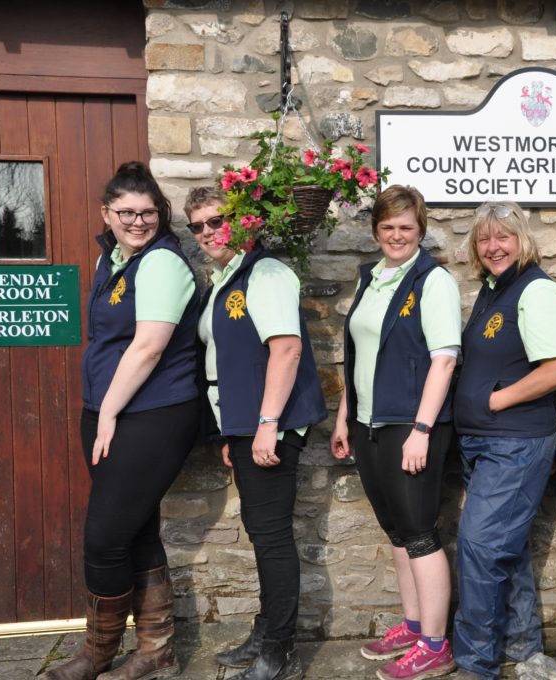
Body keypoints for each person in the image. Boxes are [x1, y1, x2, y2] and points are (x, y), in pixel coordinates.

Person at [48, 162, 200, 680]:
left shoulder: (161, 263)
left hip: (153, 413)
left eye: (148, 212)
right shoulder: (112, 260)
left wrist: (108, 410)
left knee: (105, 537)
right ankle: (156, 651)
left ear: (160, 214)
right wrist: (100, 409)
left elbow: (149, 346)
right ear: (106, 214)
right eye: (127, 212)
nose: (138, 221)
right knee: (136, 530)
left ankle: (96, 654)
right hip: (110, 410)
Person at [186, 187, 326, 680]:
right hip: (246, 425)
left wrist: (266, 425)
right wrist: (232, 430)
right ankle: (266, 633)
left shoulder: (265, 273)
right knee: (262, 533)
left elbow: (285, 351)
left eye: (216, 220)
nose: (207, 232)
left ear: (243, 221)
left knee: (271, 538)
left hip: (273, 425)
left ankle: (281, 651)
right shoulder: (228, 278)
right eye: (197, 226)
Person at [330, 185, 462, 680]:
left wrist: (423, 428)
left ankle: (435, 644)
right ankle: (412, 627)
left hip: (412, 426)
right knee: (399, 533)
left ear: (420, 230)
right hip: (369, 425)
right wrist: (345, 416)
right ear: (376, 231)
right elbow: (361, 354)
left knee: (421, 532)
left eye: (406, 227)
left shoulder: (434, 282)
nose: (396, 235)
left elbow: (444, 358)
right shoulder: (372, 278)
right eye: (387, 227)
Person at [452, 202, 556, 680]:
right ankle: (525, 651)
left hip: (514, 443)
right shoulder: (492, 290)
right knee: (508, 550)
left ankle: (476, 664)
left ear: (522, 239)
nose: (493, 247)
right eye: (484, 239)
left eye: (503, 237)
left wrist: (497, 402)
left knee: (479, 546)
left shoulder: (537, 290)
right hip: (483, 443)